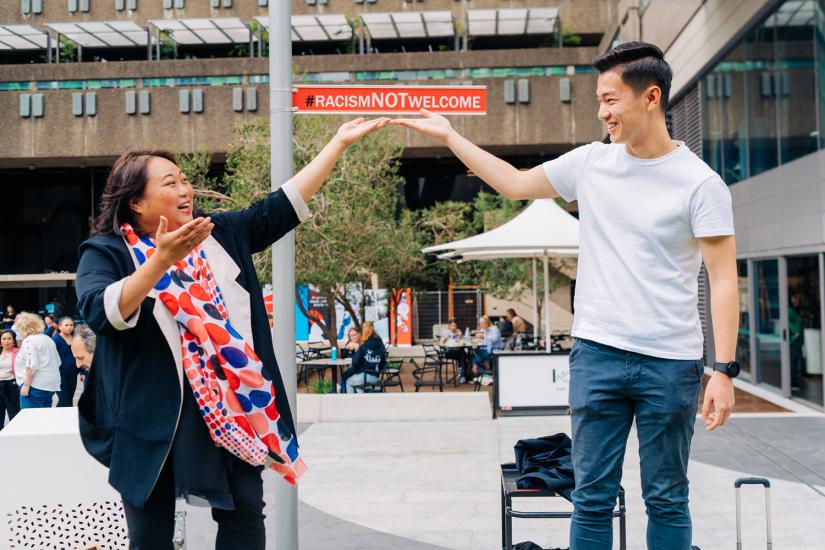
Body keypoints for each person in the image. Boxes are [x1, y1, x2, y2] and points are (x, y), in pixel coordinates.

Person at [392, 42, 738, 550]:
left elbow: (723, 278)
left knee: (667, 497)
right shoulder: (591, 163)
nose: (602, 113)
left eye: (610, 100)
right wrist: (450, 135)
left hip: (671, 360)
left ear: (651, 97)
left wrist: (723, 371)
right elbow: (514, 184)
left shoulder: (701, 184)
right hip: (597, 354)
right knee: (592, 497)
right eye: (599, 101)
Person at [75, 116, 388, 550]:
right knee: (150, 534)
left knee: (245, 514)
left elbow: (282, 205)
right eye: (170, 183)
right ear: (137, 203)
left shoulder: (217, 234)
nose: (185, 190)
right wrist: (160, 261)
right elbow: (101, 311)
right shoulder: (107, 252)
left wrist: (337, 143)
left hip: (231, 404)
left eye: (185, 180)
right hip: (148, 416)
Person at [13, 312, 61, 409]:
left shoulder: (29, 340)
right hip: (50, 385)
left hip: (34, 386)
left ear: (23, 328)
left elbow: (32, 365)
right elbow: (58, 362)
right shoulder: (48, 339)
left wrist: (26, 385)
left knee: (29, 416)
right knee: (44, 416)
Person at [340, 321, 386, 393]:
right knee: (357, 383)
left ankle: (349, 399)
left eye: (355, 334)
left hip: (363, 372)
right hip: (374, 375)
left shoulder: (363, 345)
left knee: (348, 380)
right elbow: (382, 364)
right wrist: (347, 348)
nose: (354, 337)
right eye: (351, 336)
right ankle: (360, 398)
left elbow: (356, 363)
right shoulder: (379, 345)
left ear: (360, 334)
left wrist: (357, 349)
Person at [52, 316, 78, 407]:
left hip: (73, 373)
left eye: (71, 325)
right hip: (60, 374)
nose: (69, 327)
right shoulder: (55, 339)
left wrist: (82, 371)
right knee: (64, 399)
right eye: (66, 325)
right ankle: (58, 415)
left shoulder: (76, 338)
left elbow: (81, 355)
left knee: (70, 398)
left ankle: (68, 415)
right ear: (60, 327)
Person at [471, 316, 503, 386]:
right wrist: (481, 339)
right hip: (488, 349)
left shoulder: (495, 329)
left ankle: (478, 370)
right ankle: (480, 370)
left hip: (495, 350)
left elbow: (494, 339)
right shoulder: (486, 330)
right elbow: (485, 343)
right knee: (475, 352)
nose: (481, 326)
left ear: (486, 323)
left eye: (481, 324)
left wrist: (485, 336)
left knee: (476, 354)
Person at [0, 329, 21, 428]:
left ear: (13, 341)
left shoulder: (18, 352)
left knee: (14, 415)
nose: (6, 341)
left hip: (12, 385)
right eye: (4, 339)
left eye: (9, 339)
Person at [788, 292, 804, 391]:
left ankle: (796, 383)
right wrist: (795, 332)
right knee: (794, 364)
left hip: (799, 342)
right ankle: (793, 383)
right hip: (793, 342)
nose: (796, 300)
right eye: (794, 298)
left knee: (798, 364)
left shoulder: (797, 310)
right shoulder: (790, 311)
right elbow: (786, 322)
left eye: (797, 298)